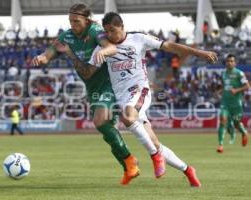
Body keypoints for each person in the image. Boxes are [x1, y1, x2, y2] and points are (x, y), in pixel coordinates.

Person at [53, 12, 219, 187]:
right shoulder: (102, 49)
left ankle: (155, 157)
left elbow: (170, 46)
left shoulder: (139, 38)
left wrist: (199, 52)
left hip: (140, 90)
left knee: (127, 116)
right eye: (107, 32)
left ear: (122, 27)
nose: (110, 35)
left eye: (113, 30)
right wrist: (70, 54)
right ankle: (188, 170)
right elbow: (87, 73)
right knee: (154, 142)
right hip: (123, 98)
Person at [32, 3, 165, 185]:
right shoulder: (67, 36)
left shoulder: (96, 31)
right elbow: (52, 50)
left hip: (109, 84)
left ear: (86, 20)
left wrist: (103, 51)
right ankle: (129, 164)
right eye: (70, 21)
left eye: (76, 21)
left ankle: (135, 159)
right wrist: (43, 57)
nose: (72, 24)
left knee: (100, 120)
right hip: (92, 87)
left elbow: (111, 47)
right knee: (104, 129)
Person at [217, 54, 249, 153]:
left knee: (236, 124)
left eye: (231, 61)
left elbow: (247, 86)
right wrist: (220, 91)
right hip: (225, 103)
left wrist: (236, 90)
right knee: (222, 120)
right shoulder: (223, 74)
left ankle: (244, 132)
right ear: (226, 62)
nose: (229, 63)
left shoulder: (239, 73)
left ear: (235, 63)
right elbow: (224, 86)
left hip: (236, 104)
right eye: (228, 61)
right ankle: (220, 145)